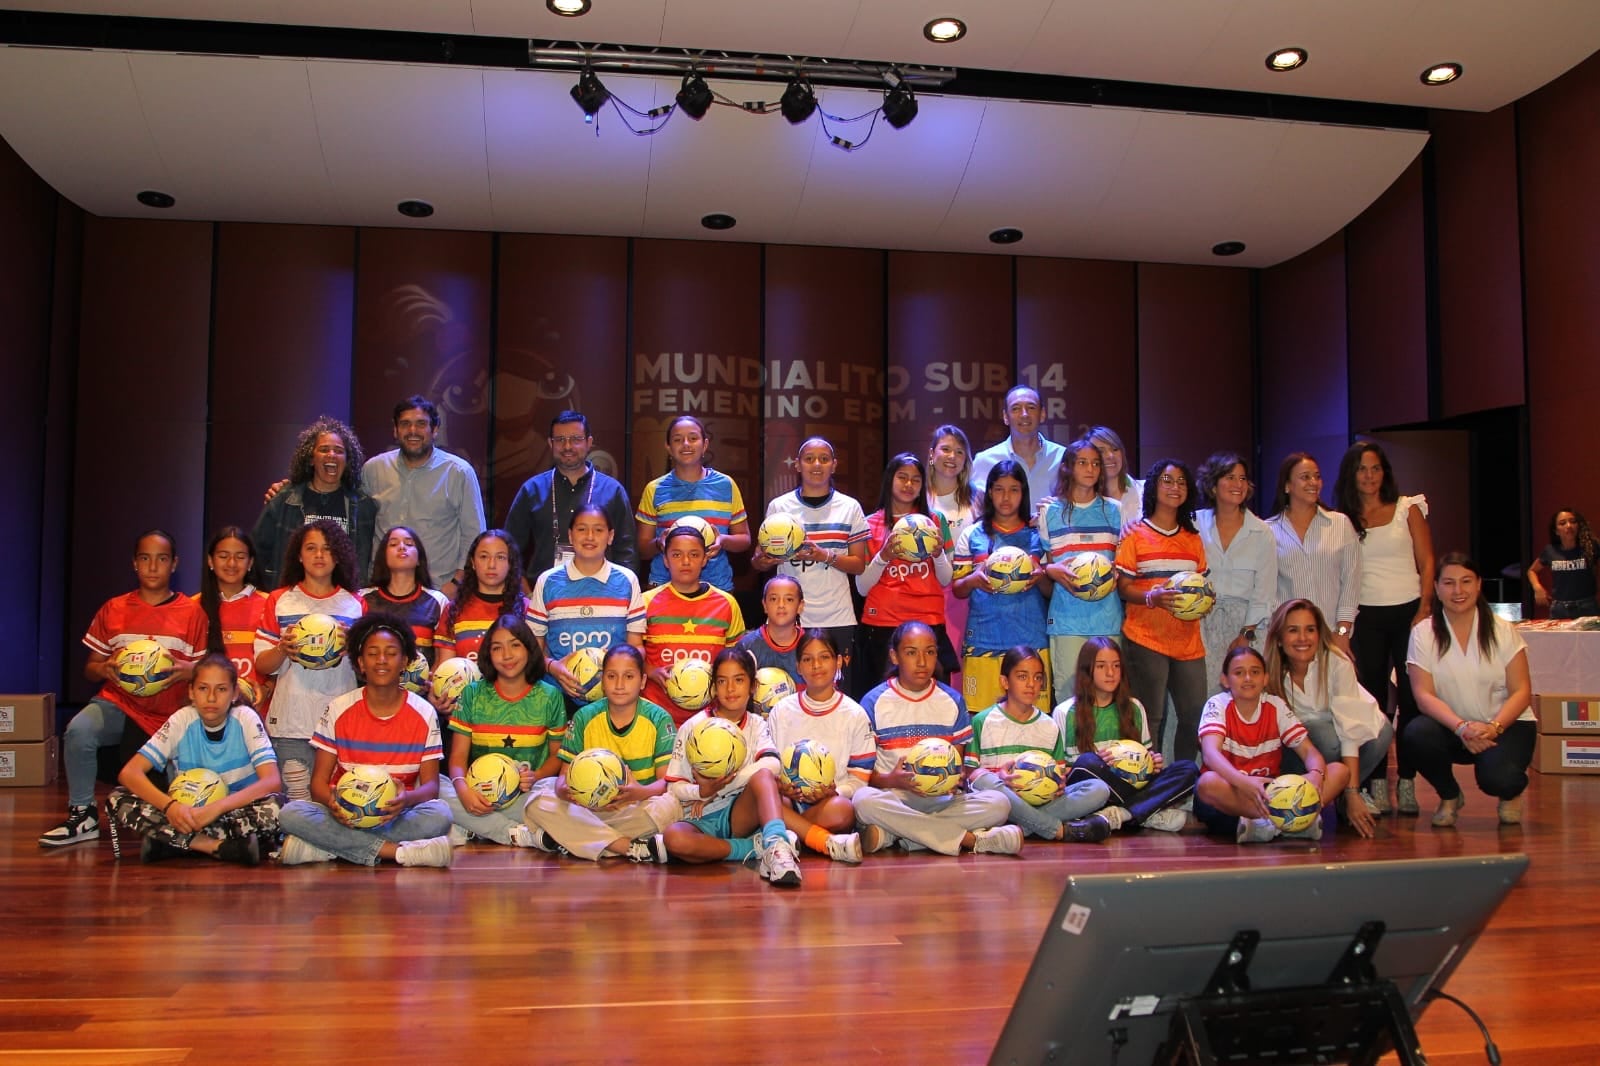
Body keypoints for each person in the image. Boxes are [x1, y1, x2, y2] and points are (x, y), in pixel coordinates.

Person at [41, 530, 210, 848]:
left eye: (161, 559)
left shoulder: (192, 614)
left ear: (174, 564)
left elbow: (205, 675)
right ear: (134, 564)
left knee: (178, 791)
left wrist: (191, 672)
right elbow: (90, 668)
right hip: (119, 703)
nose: (153, 567)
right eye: (145, 558)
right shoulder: (114, 609)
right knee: (78, 731)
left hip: (169, 714)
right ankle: (83, 815)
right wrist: (104, 668)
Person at [277, 614, 454, 867]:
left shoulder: (424, 712)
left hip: (395, 814)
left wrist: (405, 800)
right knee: (291, 814)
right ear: (360, 662)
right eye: (372, 653)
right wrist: (332, 803)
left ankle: (329, 847)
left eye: (391, 653)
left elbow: (430, 788)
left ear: (404, 661)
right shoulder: (338, 708)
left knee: (440, 815)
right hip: (343, 814)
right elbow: (318, 784)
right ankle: (397, 853)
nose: (381, 660)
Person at [851, 622, 1021, 856]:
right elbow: (866, 777)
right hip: (897, 797)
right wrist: (892, 779)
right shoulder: (873, 702)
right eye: (911, 653)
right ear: (895, 656)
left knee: (999, 804)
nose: (922, 662)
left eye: (929, 652)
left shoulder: (952, 701)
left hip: (942, 800)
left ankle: (900, 834)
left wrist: (952, 779)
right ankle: (970, 840)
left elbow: (957, 768)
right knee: (863, 800)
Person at [1333, 440, 1435, 816]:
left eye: (1376, 468)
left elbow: (1427, 560)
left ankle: (1407, 781)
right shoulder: (1341, 518)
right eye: (1362, 469)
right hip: (1365, 618)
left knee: (1411, 699)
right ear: (1351, 474)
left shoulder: (1408, 508)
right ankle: (1375, 780)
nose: (1370, 476)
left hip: (1409, 613)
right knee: (1372, 702)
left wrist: (1424, 607)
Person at [105, 655, 281, 865]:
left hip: (232, 812)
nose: (212, 698)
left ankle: (172, 842)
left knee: (277, 807)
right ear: (191, 692)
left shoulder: (246, 718)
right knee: (118, 797)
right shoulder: (182, 719)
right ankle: (216, 847)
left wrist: (216, 808)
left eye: (222, 689)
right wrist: (170, 807)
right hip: (185, 814)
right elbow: (129, 773)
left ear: (235, 693)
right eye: (203, 688)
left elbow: (271, 781)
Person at [1402, 553, 1536, 827]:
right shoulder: (1423, 633)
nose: (1458, 591)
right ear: (1437, 589)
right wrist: (1461, 727)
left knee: (1498, 779)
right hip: (1453, 729)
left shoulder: (1503, 630)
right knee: (1416, 734)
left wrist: (1493, 727)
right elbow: (1423, 696)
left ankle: (1510, 793)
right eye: (1449, 583)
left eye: (1466, 581)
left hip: (1505, 727)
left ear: (1478, 585)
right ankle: (1450, 795)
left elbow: (1522, 691)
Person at [661, 648, 807, 885]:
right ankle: (753, 848)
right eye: (722, 681)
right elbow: (673, 787)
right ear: (713, 687)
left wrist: (717, 789)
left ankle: (778, 849)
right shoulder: (693, 726)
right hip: (702, 817)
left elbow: (771, 764)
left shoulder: (757, 724)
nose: (730, 689)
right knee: (674, 839)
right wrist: (701, 792)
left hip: (740, 813)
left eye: (738, 680)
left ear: (752, 686)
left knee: (763, 777)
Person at [522, 644, 681, 863]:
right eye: (611, 676)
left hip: (638, 807)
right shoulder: (583, 717)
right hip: (589, 808)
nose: (619, 685)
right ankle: (628, 846)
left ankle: (571, 838)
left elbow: (665, 783)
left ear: (643, 681)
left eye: (629, 676)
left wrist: (638, 792)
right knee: (538, 799)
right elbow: (562, 779)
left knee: (671, 806)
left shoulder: (658, 718)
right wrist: (566, 792)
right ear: (602, 681)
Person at [255, 520, 366, 803]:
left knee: (336, 803)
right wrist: (283, 648)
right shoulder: (280, 600)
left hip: (340, 723)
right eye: (311, 548)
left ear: (338, 555)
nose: (319, 555)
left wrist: (354, 647)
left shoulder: (354, 603)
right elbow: (262, 665)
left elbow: (368, 667)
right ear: (299, 555)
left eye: (327, 549)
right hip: (291, 722)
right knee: (298, 804)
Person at [1264, 599, 1392, 839]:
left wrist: (1352, 790)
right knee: (1321, 733)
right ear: (1279, 639)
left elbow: (1350, 730)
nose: (1303, 638)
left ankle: (1345, 795)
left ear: (1319, 633)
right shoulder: (1269, 672)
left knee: (1382, 732)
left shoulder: (1337, 662)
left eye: (1310, 629)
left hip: (1343, 734)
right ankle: (1309, 799)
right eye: (1293, 630)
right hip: (1300, 750)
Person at [1194, 646, 1347, 843]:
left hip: (1270, 793)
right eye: (1239, 673)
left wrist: (1316, 774)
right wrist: (1244, 783)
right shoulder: (1218, 704)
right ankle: (1291, 822)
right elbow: (1210, 755)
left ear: (1265, 678)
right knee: (1207, 784)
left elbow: (1309, 751)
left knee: (1339, 771)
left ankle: (1268, 825)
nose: (1248, 678)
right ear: (1225, 680)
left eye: (1255, 672)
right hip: (1233, 790)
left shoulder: (1275, 705)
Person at [752, 436, 869, 694]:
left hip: (837, 616)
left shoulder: (849, 507)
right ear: (797, 465)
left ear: (834, 465)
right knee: (791, 692)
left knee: (837, 693)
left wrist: (822, 555)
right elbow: (758, 561)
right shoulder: (779, 507)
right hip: (791, 620)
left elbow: (859, 564)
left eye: (824, 459)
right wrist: (763, 561)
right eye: (809, 459)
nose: (817, 464)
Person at [966, 646, 1113, 842]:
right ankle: (1056, 829)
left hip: (1042, 804)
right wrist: (999, 777)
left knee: (1098, 788)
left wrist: (1059, 785)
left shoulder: (1050, 726)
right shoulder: (982, 721)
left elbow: (1060, 775)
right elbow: (970, 779)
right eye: (1022, 676)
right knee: (982, 779)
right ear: (1004, 681)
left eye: (1037, 678)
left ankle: (1022, 827)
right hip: (1002, 805)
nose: (1031, 684)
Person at [1114, 460, 1209, 764]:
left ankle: (1182, 784)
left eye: (1181, 482)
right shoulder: (1135, 535)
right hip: (1146, 638)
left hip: (1188, 641)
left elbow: (1202, 584)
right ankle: (1148, 786)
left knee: (1194, 714)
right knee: (1151, 717)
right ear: (1154, 486)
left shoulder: (1193, 539)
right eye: (1168, 480)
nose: (1175, 487)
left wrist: (1205, 599)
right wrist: (1152, 597)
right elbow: (1123, 587)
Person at [441, 615, 565, 846]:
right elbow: (457, 757)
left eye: (515, 645)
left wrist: (536, 776)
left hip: (525, 795)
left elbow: (556, 756)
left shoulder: (550, 696)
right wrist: (463, 791)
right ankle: (512, 833)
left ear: (529, 649)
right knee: (437, 787)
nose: (507, 655)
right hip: (476, 795)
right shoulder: (472, 694)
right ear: (488, 654)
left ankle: (474, 827)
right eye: (497, 648)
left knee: (552, 794)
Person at [1056, 638, 1197, 832]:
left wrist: (1152, 764)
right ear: (1087, 670)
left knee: (1187, 769)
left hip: (1131, 784)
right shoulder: (1065, 712)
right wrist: (1099, 763)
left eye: (1116, 666)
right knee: (1087, 762)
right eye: (1101, 666)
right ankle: (1146, 813)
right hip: (1095, 788)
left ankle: (1124, 814)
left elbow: (1144, 762)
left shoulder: (1134, 707)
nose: (1111, 673)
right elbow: (1065, 776)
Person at [767, 630, 878, 861]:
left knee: (843, 810)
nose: (816, 665)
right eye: (807, 659)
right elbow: (770, 768)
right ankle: (814, 838)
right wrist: (781, 786)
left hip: (828, 803)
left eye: (824, 657)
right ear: (798, 666)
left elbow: (859, 779)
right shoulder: (782, 710)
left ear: (838, 661)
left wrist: (835, 791)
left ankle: (786, 836)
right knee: (771, 799)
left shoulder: (855, 714)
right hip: (789, 801)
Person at [361, 396, 487, 597]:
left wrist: (456, 583)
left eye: (421, 424)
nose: (413, 431)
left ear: (435, 430)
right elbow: (359, 528)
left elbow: (474, 535)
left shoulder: (458, 472)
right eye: (405, 424)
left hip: (438, 592)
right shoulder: (373, 469)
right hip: (381, 590)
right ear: (395, 430)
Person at [953, 460, 1052, 716]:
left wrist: (1040, 576)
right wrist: (974, 579)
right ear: (989, 492)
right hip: (984, 640)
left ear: (1024, 493)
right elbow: (958, 589)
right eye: (998, 489)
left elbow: (1051, 591)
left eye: (1014, 490)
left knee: (1031, 719)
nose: (1006, 497)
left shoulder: (1038, 535)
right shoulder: (973, 534)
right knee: (981, 720)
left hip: (1030, 639)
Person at [855, 453, 955, 696]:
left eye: (916, 480)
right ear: (890, 480)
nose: (909, 485)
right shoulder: (870, 524)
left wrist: (938, 553)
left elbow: (945, 579)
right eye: (902, 478)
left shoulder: (935, 520)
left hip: (928, 621)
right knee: (883, 699)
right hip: (883, 623)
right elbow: (861, 587)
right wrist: (884, 556)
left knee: (934, 697)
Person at [529, 504, 646, 705]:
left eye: (598, 530)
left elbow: (636, 646)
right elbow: (532, 649)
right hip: (556, 697)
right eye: (582, 529)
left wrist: (618, 669)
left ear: (610, 536)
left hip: (612, 699)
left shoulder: (627, 581)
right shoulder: (547, 581)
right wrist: (551, 667)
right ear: (570, 535)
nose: (589, 536)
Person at [504, 410, 636, 586]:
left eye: (576, 439)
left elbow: (627, 551)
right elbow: (509, 549)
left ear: (589, 442)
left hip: (603, 593)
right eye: (560, 440)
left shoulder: (612, 491)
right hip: (545, 596)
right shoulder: (532, 489)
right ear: (550, 444)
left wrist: (621, 592)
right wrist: (526, 593)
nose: (567, 446)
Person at [1041, 437, 1125, 704]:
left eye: (1095, 463)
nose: (1090, 469)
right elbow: (1041, 564)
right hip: (1067, 619)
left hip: (1106, 617)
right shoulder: (1049, 512)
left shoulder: (1115, 511)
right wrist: (1050, 570)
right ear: (1068, 467)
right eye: (1082, 462)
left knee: (1107, 695)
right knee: (1069, 696)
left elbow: (1122, 561)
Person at [253, 415, 378, 592]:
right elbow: (258, 551)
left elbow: (370, 560)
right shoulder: (285, 499)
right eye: (324, 449)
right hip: (292, 598)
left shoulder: (363, 505)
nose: (332, 455)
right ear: (311, 459)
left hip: (344, 602)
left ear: (347, 461)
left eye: (339, 450)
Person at [641, 524, 746, 725]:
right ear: (665, 560)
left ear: (705, 559)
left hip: (711, 719)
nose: (686, 562)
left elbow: (735, 662)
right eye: (677, 555)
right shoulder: (646, 602)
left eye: (694, 554)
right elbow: (631, 655)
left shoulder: (727, 604)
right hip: (656, 717)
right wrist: (650, 670)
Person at [635, 415, 751, 592]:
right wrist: (660, 543)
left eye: (693, 438)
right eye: (678, 439)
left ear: (704, 445)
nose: (686, 444)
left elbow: (744, 539)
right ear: (668, 447)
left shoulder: (726, 485)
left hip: (716, 588)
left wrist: (722, 540)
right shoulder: (655, 489)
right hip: (664, 588)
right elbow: (642, 548)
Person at [1194, 452, 1277, 695]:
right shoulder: (1194, 524)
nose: (1238, 484)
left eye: (1242, 478)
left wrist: (1245, 634)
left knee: (1243, 698)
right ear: (1212, 485)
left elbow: (1264, 592)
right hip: (1200, 625)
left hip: (1246, 627)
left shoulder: (1262, 532)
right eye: (1230, 477)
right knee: (1200, 698)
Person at [1266, 451, 1361, 659]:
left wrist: (1342, 632)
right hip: (1287, 642)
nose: (1313, 482)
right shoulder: (1268, 531)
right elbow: (1267, 591)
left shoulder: (1340, 524)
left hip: (1331, 638)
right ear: (1287, 485)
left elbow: (1351, 584)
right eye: (1305, 477)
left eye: (1317, 476)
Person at [925, 424, 980, 685]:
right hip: (926, 592)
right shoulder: (918, 497)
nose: (951, 457)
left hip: (965, 593)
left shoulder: (977, 498)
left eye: (959, 452)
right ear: (931, 454)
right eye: (945, 449)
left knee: (960, 667)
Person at [196, 526, 271, 709]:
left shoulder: (270, 604)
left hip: (258, 709)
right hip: (208, 711)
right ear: (210, 561)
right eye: (223, 556)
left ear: (250, 562)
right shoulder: (193, 606)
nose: (231, 563)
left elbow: (283, 661)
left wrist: (267, 688)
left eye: (240, 557)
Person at [360, 525, 452, 666]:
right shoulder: (363, 598)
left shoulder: (438, 602)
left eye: (409, 544)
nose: (402, 547)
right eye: (393, 544)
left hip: (422, 688)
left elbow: (443, 659)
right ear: (383, 556)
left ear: (419, 559)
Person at [970, 386, 1066, 506]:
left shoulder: (1063, 457)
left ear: (1042, 414)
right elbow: (976, 511)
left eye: (1031, 407)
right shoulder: (984, 461)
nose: (1024, 414)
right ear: (1006, 417)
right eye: (1016, 409)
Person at [444, 530, 528, 665]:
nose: (491, 565)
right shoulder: (453, 610)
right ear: (472, 562)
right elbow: (445, 667)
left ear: (510, 563)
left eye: (500, 557)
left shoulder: (527, 608)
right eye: (484, 557)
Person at [735, 574, 805, 685]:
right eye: (773, 599)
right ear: (765, 605)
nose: (781, 605)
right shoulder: (748, 646)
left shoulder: (810, 645)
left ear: (800, 606)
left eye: (789, 599)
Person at [1529, 508, 1598, 619]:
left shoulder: (1590, 546)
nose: (1569, 526)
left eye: (1573, 522)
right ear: (1556, 531)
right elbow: (1531, 570)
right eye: (1562, 523)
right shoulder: (1550, 550)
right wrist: (1537, 588)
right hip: (1560, 608)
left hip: (1587, 606)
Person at [1089, 425, 1142, 528]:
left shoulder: (1146, 491)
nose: (1110, 456)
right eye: (1101, 451)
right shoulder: (1083, 501)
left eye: (1115, 449)